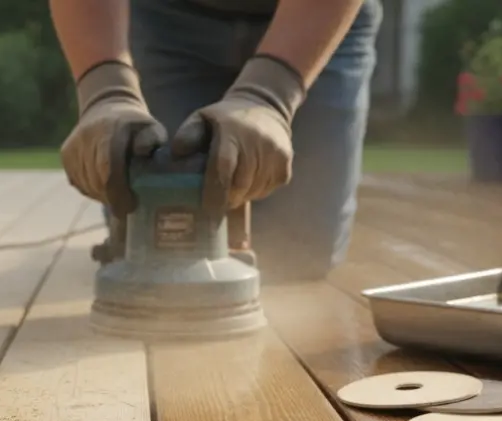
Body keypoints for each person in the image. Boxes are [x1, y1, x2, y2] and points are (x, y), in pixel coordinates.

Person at [50, 0, 382, 282]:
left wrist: (270, 94)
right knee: (146, 234)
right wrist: (106, 89)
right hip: (163, 18)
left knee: (299, 255)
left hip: (318, 17)